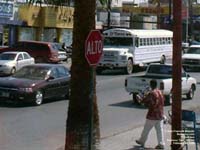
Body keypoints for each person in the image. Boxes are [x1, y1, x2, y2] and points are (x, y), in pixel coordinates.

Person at [135, 79, 165, 149]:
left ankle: (142, 141)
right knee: (160, 130)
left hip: (152, 115)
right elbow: (163, 101)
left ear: (151, 85)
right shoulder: (160, 92)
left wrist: (140, 99)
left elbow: (146, 102)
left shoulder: (152, 93)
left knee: (146, 129)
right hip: (160, 114)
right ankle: (161, 144)